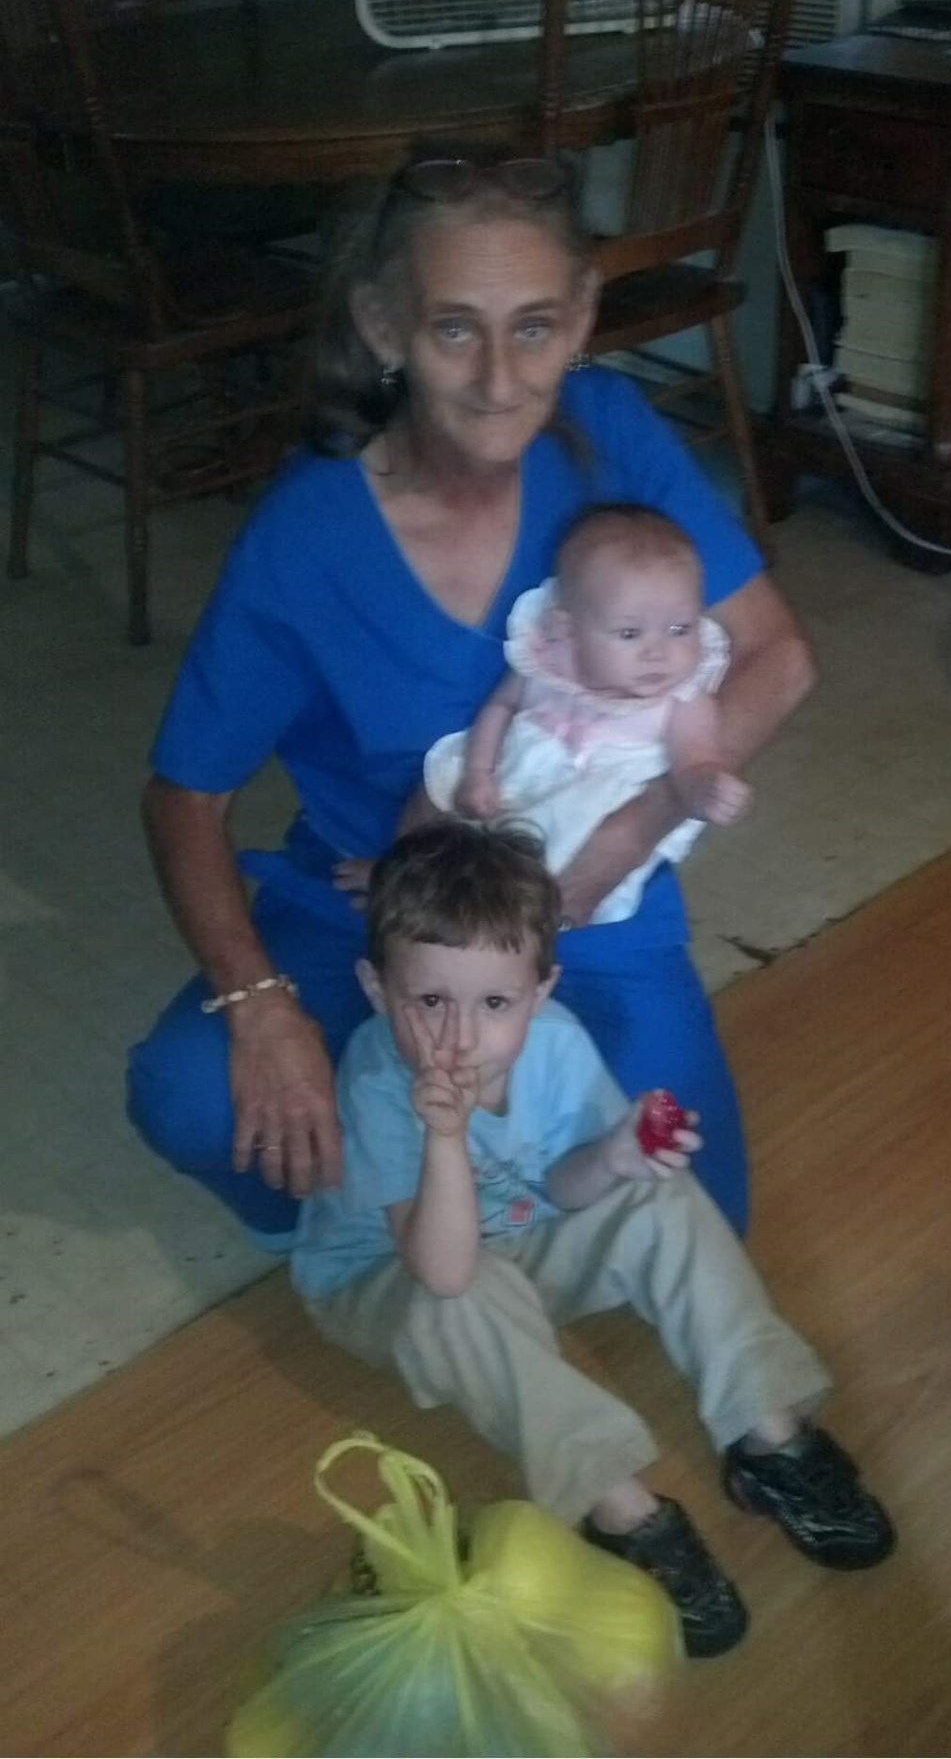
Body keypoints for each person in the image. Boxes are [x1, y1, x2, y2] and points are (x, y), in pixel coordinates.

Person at [127, 144, 816, 1249]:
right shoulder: (306, 534)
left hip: (587, 895)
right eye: (454, 328)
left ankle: (480, 1202)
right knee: (194, 1097)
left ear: (581, 313)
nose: (500, 380)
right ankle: (387, 1228)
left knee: (687, 1210)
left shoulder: (612, 435)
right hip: (375, 900)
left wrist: (623, 837)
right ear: (382, 323)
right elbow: (184, 796)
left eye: (533, 326)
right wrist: (256, 1004)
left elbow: (777, 655)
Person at [295, 821, 895, 1660]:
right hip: (392, 1281)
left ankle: (766, 1428)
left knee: (657, 1193)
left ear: (540, 991)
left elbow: (559, 1187)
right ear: (375, 989)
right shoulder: (377, 1080)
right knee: (462, 1300)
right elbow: (444, 1270)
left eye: (494, 1003)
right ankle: (617, 1506)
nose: (460, 1037)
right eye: (428, 1002)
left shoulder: (556, 1043)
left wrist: (613, 1159)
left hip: (520, 1240)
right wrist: (444, 1136)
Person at [416, 501, 751, 923]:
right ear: (568, 628)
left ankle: (494, 932)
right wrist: (478, 772)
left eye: (679, 628)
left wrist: (705, 788)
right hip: (512, 775)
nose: (658, 652)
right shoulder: (548, 660)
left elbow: (695, 760)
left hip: (584, 810)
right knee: (436, 797)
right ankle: (406, 881)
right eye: (629, 633)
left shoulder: (683, 698)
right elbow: (501, 706)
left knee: (537, 876)